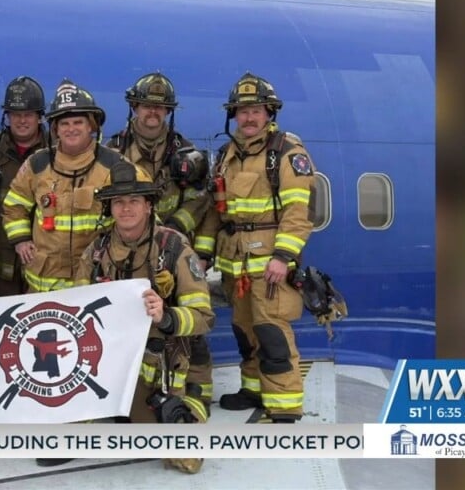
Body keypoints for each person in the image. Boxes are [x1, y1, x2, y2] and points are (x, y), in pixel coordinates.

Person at [74, 160, 214, 474]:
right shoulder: (96, 252)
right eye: (119, 202)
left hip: (169, 364)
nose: (126, 209)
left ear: (149, 206)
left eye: (134, 201)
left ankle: (187, 407)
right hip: (117, 360)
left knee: (184, 459)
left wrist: (166, 316)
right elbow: (77, 311)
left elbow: (204, 316)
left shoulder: (174, 248)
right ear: (109, 208)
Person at [195, 72, 316, 423]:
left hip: (269, 268)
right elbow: (216, 214)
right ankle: (253, 389)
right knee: (245, 332)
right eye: (242, 111)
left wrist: (283, 257)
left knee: (272, 334)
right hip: (236, 267)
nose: (248, 118)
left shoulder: (286, 153)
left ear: (269, 113)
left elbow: (299, 211)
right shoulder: (226, 156)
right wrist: (203, 256)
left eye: (256, 111)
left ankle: (284, 406)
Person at [105, 72, 215, 418]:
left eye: (160, 108)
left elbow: (200, 196)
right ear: (134, 107)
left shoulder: (185, 152)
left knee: (181, 327)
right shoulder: (114, 149)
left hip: (168, 248)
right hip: (129, 244)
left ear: (168, 112)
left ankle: (194, 395)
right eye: (146, 106)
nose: (153, 113)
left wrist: (170, 232)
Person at [1, 79, 126, 294]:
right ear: (55, 129)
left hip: (95, 282)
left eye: (78, 122)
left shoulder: (116, 166)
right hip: (43, 286)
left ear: (91, 126)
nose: (71, 129)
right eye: (65, 124)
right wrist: (21, 240)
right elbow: (14, 205)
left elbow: (140, 214)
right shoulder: (37, 163)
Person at [0, 76, 47, 298]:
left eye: (28, 114)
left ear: (39, 117)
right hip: (0, 264)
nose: (22, 120)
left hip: (43, 261)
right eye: (15, 114)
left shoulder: (56, 153)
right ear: (7, 116)